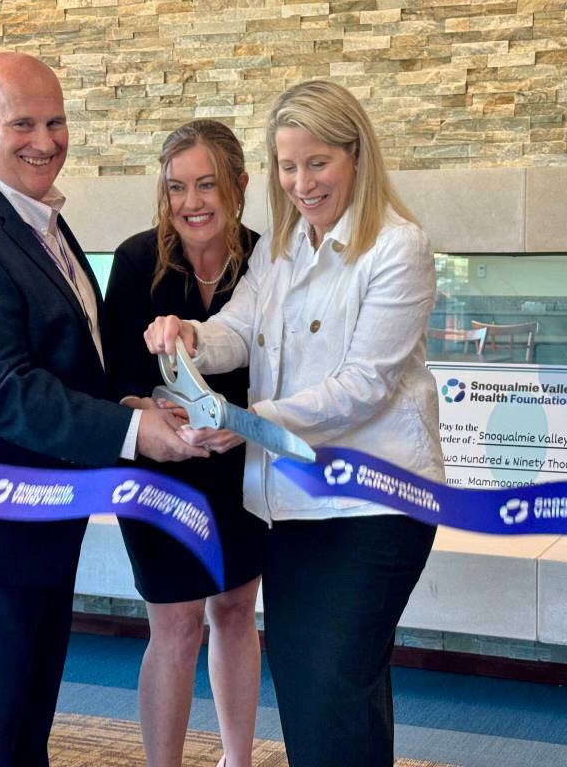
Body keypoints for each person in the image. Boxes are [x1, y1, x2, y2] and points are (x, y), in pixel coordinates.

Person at [0, 52, 206, 767]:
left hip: (28, 523)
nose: (46, 139)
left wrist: (121, 401)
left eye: (56, 120)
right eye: (22, 123)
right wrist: (131, 432)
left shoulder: (26, 210)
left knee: (21, 735)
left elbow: (50, 353)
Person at [144, 80, 445, 767]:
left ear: (356, 157)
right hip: (297, 503)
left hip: (379, 502)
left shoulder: (399, 248)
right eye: (288, 165)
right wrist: (190, 333)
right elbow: (237, 331)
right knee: (327, 684)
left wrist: (249, 422)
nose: (301, 183)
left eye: (317, 163)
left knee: (331, 681)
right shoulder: (283, 247)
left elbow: (363, 388)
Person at [103, 120, 264, 767]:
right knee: (173, 624)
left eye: (207, 185)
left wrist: (242, 420)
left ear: (240, 186)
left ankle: (238, 759)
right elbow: (114, 373)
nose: (192, 202)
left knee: (233, 612)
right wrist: (146, 408)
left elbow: (287, 374)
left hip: (242, 465)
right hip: (158, 468)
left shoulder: (270, 263)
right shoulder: (137, 258)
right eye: (176, 187)